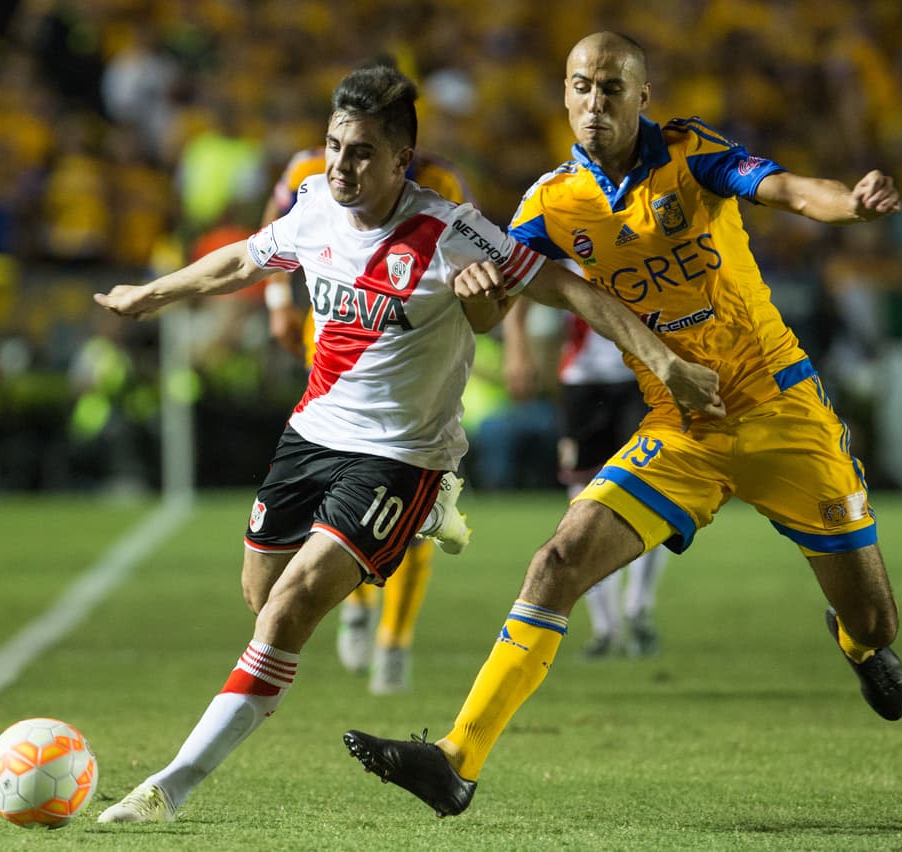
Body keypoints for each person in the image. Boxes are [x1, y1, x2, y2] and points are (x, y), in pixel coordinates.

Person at [93, 61, 722, 824]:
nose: (340, 165)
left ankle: (169, 787)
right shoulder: (316, 206)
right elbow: (244, 260)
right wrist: (150, 295)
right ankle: (393, 542)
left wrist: (662, 359)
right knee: (263, 602)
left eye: (360, 152)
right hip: (310, 434)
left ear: (400, 160)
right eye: (332, 145)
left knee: (290, 609)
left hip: (401, 454)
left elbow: (571, 290)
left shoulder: (451, 230)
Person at [343, 31, 902, 818]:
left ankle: (854, 642)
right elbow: (489, 309)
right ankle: (454, 760)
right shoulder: (550, 202)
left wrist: (848, 201)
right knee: (557, 561)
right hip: (681, 428)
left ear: (644, 98)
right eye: (581, 87)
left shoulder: (691, 155)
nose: (595, 103)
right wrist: (477, 290)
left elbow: (786, 190)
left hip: (782, 413)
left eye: (612, 88)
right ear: (564, 97)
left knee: (876, 621)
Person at [260, 132, 474, 695]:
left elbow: (477, 264)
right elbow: (273, 225)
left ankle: (395, 640)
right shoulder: (309, 169)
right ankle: (356, 604)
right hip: (335, 368)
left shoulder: (442, 182)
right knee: (340, 500)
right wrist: (280, 302)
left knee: (414, 516)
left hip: (412, 379)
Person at [505, 293, 666, 658]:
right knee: (583, 503)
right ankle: (605, 626)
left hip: (643, 374)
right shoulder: (564, 238)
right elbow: (524, 291)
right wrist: (518, 351)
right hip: (581, 381)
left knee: (649, 493)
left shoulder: (639, 237)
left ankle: (638, 607)